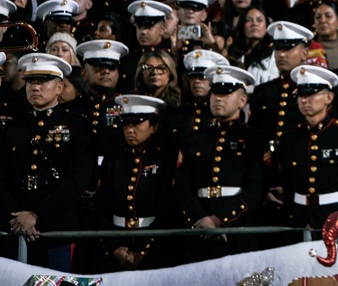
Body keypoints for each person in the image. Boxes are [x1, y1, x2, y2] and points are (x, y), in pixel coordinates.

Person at [0, 54, 93, 270]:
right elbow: (1, 178)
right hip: (15, 230)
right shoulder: (12, 129)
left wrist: (36, 215)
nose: (35, 87)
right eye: (31, 81)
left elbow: (77, 180)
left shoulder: (77, 126)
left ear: (59, 87)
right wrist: (17, 219)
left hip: (55, 229)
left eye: (43, 81)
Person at [174, 65, 265, 260]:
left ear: (242, 100)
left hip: (238, 225)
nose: (218, 99)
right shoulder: (194, 138)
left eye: (225, 94)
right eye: (215, 93)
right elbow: (182, 186)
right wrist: (200, 219)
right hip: (198, 225)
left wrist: (219, 220)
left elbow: (256, 188)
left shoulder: (254, 139)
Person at [93, 94, 179, 271]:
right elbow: (100, 209)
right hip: (117, 247)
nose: (130, 129)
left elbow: (168, 211)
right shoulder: (112, 161)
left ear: (153, 126)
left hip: (155, 249)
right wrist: (114, 247)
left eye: (137, 123)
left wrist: (141, 250)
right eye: (126, 123)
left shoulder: (165, 161)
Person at [274, 64, 338, 228]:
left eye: (311, 94)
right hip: (299, 216)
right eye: (300, 95)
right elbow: (287, 184)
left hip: (337, 214)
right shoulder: (289, 139)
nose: (304, 100)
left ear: (329, 98)